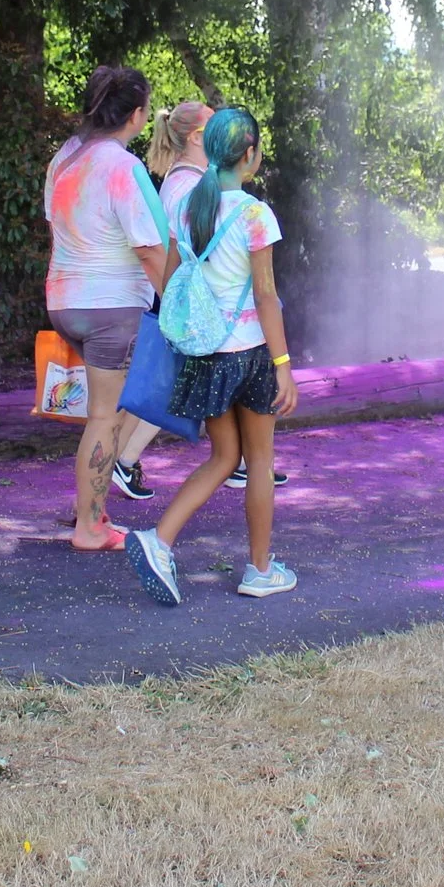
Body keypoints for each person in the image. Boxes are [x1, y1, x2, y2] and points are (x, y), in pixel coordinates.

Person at [128, 108, 300, 605]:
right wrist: (284, 366)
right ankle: (260, 570)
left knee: (224, 457)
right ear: (249, 155)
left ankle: (158, 540)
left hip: (206, 353)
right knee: (259, 462)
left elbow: (177, 280)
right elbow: (266, 297)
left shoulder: (188, 210)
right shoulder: (254, 214)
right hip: (250, 355)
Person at [45, 66, 170, 551]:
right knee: (105, 416)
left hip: (65, 301)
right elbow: (148, 249)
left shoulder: (65, 157)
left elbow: (55, 224)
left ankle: (87, 507)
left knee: (104, 413)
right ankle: (90, 527)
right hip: (112, 307)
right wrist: (179, 305)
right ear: (136, 115)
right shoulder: (121, 165)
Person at [110, 99, 214, 503]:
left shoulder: (179, 179)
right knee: (173, 381)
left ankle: (124, 459)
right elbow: (191, 243)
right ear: (197, 137)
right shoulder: (189, 185)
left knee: (161, 378)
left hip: (173, 291)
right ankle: (126, 459)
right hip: (182, 294)